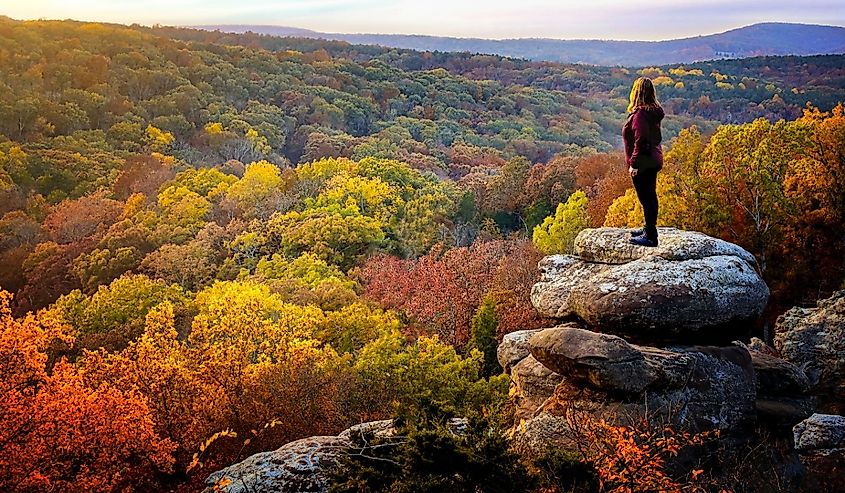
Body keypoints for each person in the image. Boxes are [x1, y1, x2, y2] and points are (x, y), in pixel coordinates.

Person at [623, 77, 664, 247]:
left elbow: (641, 139)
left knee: (646, 198)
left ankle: (651, 236)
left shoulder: (640, 115)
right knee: (650, 196)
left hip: (644, 163)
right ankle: (648, 229)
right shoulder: (652, 112)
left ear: (636, 93)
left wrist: (634, 164)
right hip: (653, 159)